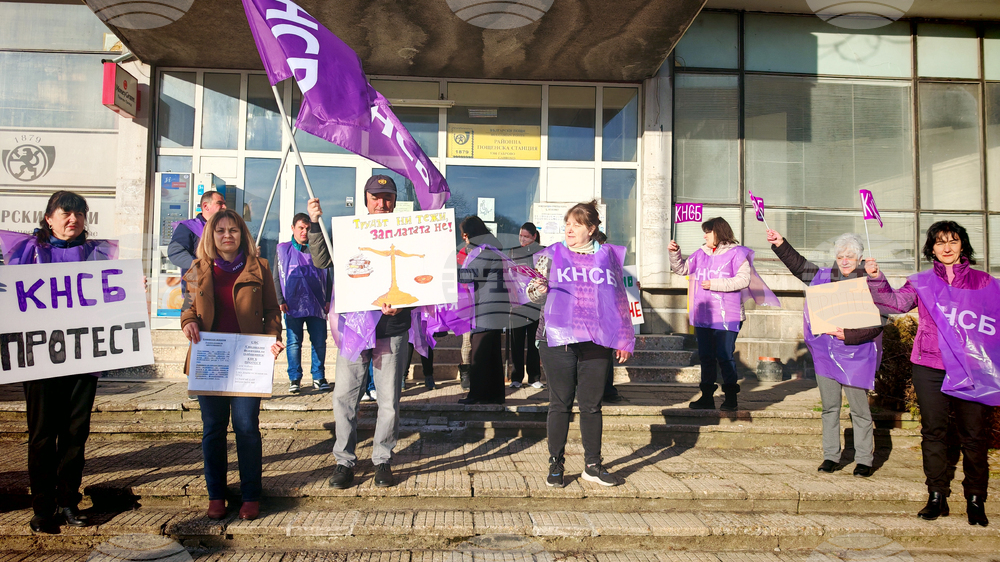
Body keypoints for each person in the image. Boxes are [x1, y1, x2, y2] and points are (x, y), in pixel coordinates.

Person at [0, 191, 118, 534]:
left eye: (80, 214)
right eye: (66, 212)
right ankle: (42, 507)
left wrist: (128, 290)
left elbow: (112, 301)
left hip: (82, 357)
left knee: (74, 433)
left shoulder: (98, 254)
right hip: (39, 357)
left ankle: (68, 501)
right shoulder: (27, 252)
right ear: (48, 217)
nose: (74, 219)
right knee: (41, 435)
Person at [866, 221, 992, 526]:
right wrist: (875, 279)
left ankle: (975, 498)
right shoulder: (921, 282)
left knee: (973, 435)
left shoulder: (983, 282)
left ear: (963, 245)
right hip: (929, 364)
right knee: (933, 432)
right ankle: (937, 495)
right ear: (931, 248)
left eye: (953, 241)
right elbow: (895, 304)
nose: (946, 248)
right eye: (939, 242)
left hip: (970, 366)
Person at [306, 175, 413, 489]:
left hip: (392, 330)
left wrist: (402, 305)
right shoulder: (352, 233)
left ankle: (382, 460)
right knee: (343, 398)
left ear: (395, 201)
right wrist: (314, 223)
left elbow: (423, 280)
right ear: (366, 199)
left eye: (388, 197)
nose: (382, 203)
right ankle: (344, 462)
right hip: (355, 329)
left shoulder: (408, 234)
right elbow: (323, 259)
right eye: (376, 197)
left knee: (389, 401)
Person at [181, 209, 284, 521]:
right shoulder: (198, 268)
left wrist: (273, 339)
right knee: (212, 430)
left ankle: (251, 495)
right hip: (210, 360)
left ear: (243, 234)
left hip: (247, 363)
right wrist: (187, 322)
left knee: (246, 428)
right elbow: (188, 307)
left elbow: (271, 311)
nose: (227, 235)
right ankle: (216, 496)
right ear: (211, 235)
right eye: (221, 230)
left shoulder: (260, 267)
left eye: (234, 230)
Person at [528, 200, 635, 488]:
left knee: (591, 405)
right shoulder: (552, 255)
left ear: (591, 228)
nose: (569, 229)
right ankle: (555, 463)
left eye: (576, 224)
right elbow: (531, 292)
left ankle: (592, 465)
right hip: (557, 339)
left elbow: (618, 299)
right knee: (560, 403)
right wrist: (539, 289)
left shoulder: (607, 257)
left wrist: (624, 337)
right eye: (567, 224)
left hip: (596, 340)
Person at [767, 230, 880, 478]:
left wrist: (849, 335)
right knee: (830, 408)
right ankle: (831, 456)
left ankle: (864, 459)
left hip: (856, 356)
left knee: (859, 410)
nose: (845, 260)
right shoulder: (822, 278)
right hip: (827, 356)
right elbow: (799, 265)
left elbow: (877, 323)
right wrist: (781, 243)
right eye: (841, 256)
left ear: (860, 258)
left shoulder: (870, 282)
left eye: (850, 256)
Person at [668, 217, 778, 411]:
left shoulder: (737, 254)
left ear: (718, 232)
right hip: (704, 314)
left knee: (724, 355)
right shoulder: (700, 253)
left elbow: (743, 280)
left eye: (708, 232)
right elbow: (682, 269)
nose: (704, 236)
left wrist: (714, 284)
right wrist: (674, 253)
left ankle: (730, 396)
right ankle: (707, 397)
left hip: (728, 314)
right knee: (706, 356)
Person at [273, 213, 332, 394]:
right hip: (291, 304)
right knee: (293, 342)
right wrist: (280, 300)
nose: (304, 232)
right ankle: (295, 379)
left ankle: (318, 377)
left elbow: (329, 274)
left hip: (317, 303)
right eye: (301, 228)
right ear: (293, 228)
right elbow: (277, 275)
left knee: (319, 341)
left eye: (307, 228)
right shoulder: (283, 250)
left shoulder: (319, 249)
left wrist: (328, 298)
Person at [457, 216, 510, 405]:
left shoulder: (485, 252)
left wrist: (447, 271)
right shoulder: (490, 248)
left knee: (479, 353)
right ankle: (495, 395)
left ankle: (477, 394)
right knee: (492, 354)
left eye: (465, 234)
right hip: (493, 307)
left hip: (487, 309)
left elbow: (469, 275)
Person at [168, 190, 226, 306]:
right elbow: (176, 253)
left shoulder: (227, 228)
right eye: (220, 203)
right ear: (206, 206)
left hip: (223, 288)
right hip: (196, 290)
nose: (225, 207)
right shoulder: (188, 227)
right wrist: (200, 266)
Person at [508, 222, 544, 389]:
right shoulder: (513, 252)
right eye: (520, 235)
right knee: (516, 342)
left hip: (535, 303)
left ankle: (534, 377)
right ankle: (516, 377)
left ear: (534, 237)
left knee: (533, 342)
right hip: (517, 303)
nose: (522, 239)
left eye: (526, 236)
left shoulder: (542, 252)